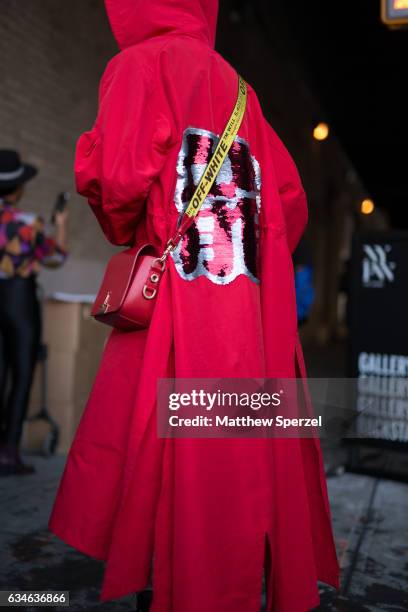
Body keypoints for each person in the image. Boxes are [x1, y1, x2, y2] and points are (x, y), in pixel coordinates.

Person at [48, 1, 340, 611]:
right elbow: (291, 201)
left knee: (158, 461)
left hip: (178, 308)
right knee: (234, 462)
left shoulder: (138, 64)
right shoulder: (242, 92)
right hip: (247, 318)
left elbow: (119, 183)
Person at [0, 149, 68, 476]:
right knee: (22, 373)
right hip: (18, 301)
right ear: (18, 189)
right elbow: (56, 258)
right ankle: (8, 451)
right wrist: (61, 226)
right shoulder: (26, 224)